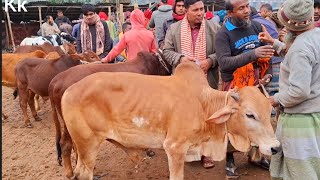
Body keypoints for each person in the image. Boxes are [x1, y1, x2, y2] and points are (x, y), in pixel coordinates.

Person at [215, 0, 275, 178]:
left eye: (247, 6)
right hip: (234, 87)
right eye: (241, 8)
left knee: (258, 121)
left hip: (255, 83)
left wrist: (268, 74)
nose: (247, 11)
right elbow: (224, 63)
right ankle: (230, 160)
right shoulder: (223, 34)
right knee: (233, 125)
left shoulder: (256, 27)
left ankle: (255, 156)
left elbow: (266, 53)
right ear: (230, 13)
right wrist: (252, 54)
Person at [163, 0, 220, 168]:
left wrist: (210, 61)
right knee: (184, 116)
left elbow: (222, 52)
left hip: (206, 80)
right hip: (182, 82)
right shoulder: (174, 29)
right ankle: (187, 149)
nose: (200, 13)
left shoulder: (213, 28)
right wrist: (180, 59)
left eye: (202, 9)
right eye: (195, 10)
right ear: (186, 11)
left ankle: (206, 153)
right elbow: (166, 51)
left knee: (207, 117)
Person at [268, 0, 320, 179]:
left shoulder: (300, 49)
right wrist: (275, 44)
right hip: (315, 114)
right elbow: (298, 56)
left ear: (290, 25)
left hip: (301, 121)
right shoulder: (316, 36)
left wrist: (276, 99)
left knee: (301, 171)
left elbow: (299, 91)